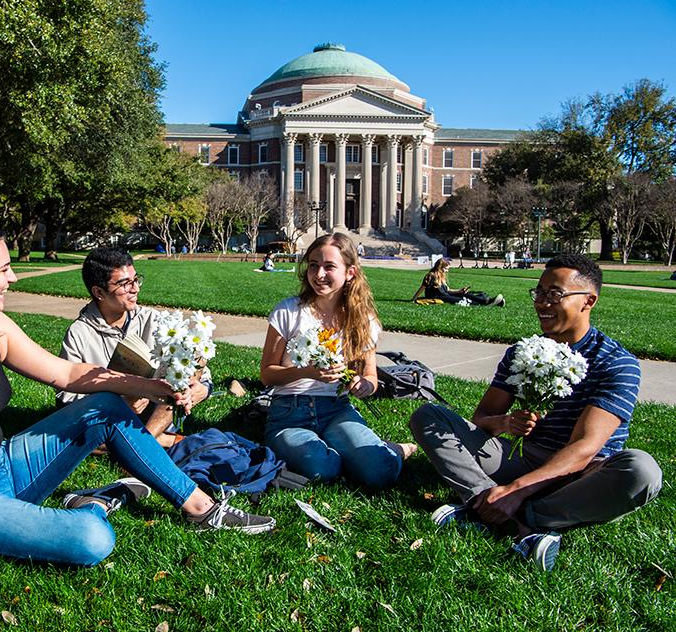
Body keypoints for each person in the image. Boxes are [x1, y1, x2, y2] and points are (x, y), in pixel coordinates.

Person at [0, 221, 273, 584]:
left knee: (105, 406)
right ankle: (93, 505)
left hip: (2, 465)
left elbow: (66, 373)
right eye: (3, 269)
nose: (13, 277)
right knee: (93, 539)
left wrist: (151, 387)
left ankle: (202, 508)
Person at [409, 254, 662, 571]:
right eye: (538, 293)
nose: (541, 303)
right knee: (429, 417)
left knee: (642, 472)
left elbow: (585, 447)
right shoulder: (523, 351)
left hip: (580, 476)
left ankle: (515, 515)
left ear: (588, 301)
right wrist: (505, 422)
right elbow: (481, 419)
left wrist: (518, 490)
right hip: (522, 456)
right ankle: (494, 506)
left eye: (554, 294)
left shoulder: (616, 363)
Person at [259, 233, 417, 488]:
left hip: (337, 410)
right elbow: (267, 374)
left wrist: (364, 385)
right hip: (289, 411)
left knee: (380, 471)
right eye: (313, 265)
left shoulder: (363, 320)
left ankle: (390, 451)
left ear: (350, 272)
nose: (319, 274)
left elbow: (370, 377)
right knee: (322, 468)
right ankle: (343, 452)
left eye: (329, 266)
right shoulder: (288, 311)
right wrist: (307, 372)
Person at [57, 247, 211, 447]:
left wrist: (202, 389)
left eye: (135, 279)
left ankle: (143, 444)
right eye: (124, 284)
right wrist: (121, 402)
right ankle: (156, 442)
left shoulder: (153, 320)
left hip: (157, 410)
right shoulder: (80, 333)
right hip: (112, 415)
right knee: (76, 435)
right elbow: (66, 400)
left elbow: (199, 372)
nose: (135, 288)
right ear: (99, 292)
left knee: (185, 370)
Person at [411, 258, 504, 306]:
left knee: (465, 294)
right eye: (446, 269)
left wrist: (459, 291)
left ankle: (488, 301)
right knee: (462, 300)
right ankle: (486, 303)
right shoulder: (431, 276)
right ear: (440, 268)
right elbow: (422, 288)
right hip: (438, 297)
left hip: (445, 295)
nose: (447, 271)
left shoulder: (442, 277)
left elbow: (447, 290)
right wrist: (414, 299)